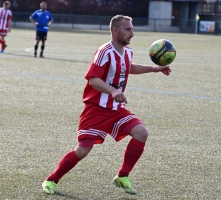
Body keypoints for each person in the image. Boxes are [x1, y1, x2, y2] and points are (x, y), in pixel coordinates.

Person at [41, 15, 172, 195]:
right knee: (83, 150)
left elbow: (129, 67)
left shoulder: (127, 52)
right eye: (128, 29)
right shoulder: (105, 51)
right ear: (115, 30)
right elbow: (93, 79)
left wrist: (155, 69)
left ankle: (122, 176)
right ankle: (51, 180)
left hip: (116, 109)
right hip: (96, 109)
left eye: (132, 29)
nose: (132, 33)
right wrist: (113, 91)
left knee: (141, 132)